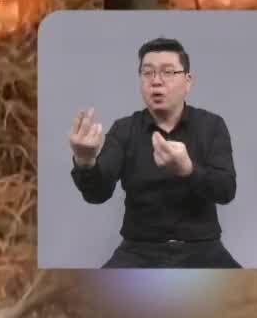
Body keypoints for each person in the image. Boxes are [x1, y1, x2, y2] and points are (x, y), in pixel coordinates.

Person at [67, 36, 240, 268]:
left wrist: (188, 170)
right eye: (147, 73)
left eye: (168, 72)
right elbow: (98, 194)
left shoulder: (211, 125)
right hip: (138, 252)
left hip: (204, 249)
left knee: (256, 299)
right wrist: (85, 161)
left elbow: (226, 190)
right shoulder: (124, 129)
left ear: (188, 82)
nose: (156, 81)